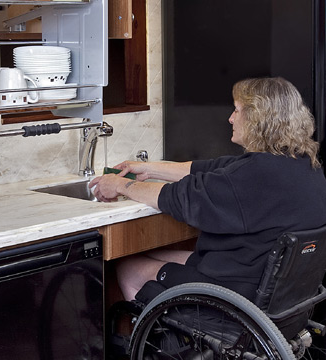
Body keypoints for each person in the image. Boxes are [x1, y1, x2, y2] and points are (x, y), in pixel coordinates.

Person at [89, 77, 326, 305]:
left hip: (235, 293)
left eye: (237, 110)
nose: (231, 118)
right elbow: (206, 169)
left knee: (128, 267)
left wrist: (121, 185)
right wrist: (147, 169)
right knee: (156, 255)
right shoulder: (303, 164)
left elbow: (176, 196)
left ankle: (155, 344)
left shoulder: (251, 176)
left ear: (257, 118)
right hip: (267, 285)